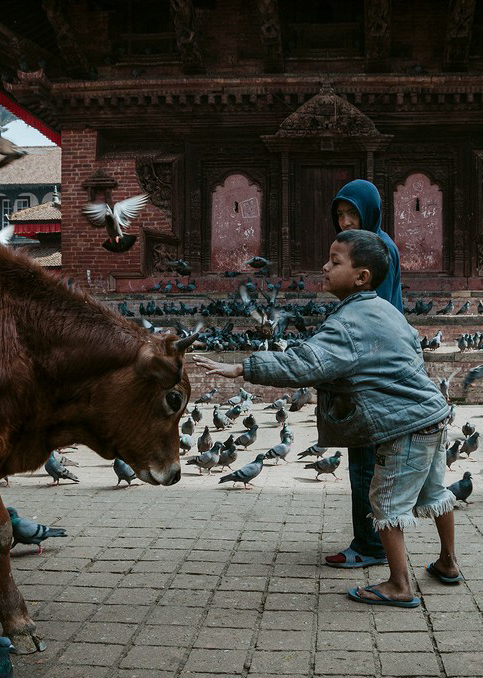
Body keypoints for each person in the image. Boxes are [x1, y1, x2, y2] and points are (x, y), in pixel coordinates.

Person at [195, 230, 458, 607]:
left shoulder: (348, 322)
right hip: (432, 414)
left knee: (385, 501)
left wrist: (241, 369)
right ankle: (448, 563)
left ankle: (400, 585)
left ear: (361, 277)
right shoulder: (385, 308)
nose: (325, 266)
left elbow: (306, 364)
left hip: (405, 427)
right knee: (434, 493)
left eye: (335, 262)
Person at [325, 179, 403, 569]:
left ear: (369, 212)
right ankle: (371, 540)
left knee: (366, 463)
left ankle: (370, 547)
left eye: (352, 214)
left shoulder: (378, 251)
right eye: (339, 215)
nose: (344, 222)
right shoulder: (371, 245)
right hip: (375, 360)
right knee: (367, 459)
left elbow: (374, 312)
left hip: (373, 364)